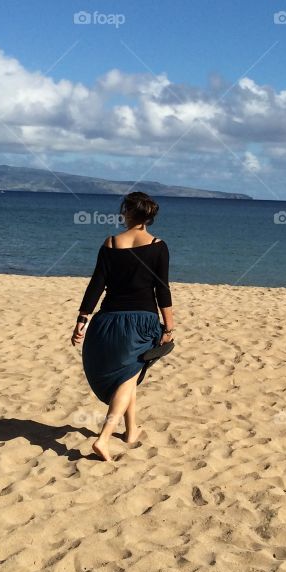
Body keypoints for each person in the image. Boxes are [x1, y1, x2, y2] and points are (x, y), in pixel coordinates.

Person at [72, 191, 174, 461]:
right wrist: (169, 327)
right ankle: (104, 438)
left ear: (128, 213)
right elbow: (162, 290)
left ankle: (131, 432)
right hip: (141, 323)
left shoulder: (111, 243)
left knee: (129, 374)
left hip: (106, 321)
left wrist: (82, 319)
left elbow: (96, 285)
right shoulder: (158, 246)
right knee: (128, 377)